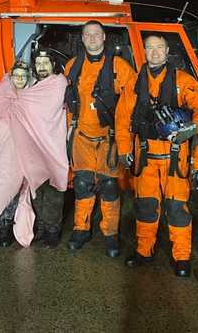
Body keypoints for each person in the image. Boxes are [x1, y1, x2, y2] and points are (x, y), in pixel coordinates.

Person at [119, 34, 198, 277]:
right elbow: (122, 118)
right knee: (145, 207)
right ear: (144, 51)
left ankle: (182, 258)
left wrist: (190, 129)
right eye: (150, 48)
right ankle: (143, 251)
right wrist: (124, 150)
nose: (155, 52)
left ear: (167, 50)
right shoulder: (135, 82)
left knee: (177, 209)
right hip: (145, 155)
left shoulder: (183, 81)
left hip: (174, 158)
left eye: (160, 47)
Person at [0, 58, 69, 248]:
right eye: (16, 75)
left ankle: (9, 231)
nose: (19, 79)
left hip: (21, 155)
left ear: (28, 77)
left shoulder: (32, 96)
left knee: (14, 192)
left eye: (23, 76)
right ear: (11, 77)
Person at [64, 21, 136, 258]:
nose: (92, 38)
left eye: (96, 34)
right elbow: (64, 104)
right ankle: (81, 228)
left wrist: (127, 143)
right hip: (81, 136)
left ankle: (110, 233)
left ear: (104, 37)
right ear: (82, 39)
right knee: (83, 184)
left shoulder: (120, 67)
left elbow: (132, 104)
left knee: (108, 187)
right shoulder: (72, 66)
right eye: (88, 34)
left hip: (110, 137)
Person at [31, 49, 69, 248]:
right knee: (37, 188)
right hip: (34, 145)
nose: (42, 66)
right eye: (38, 63)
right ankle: (41, 226)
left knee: (54, 188)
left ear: (53, 64)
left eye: (46, 62)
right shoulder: (32, 86)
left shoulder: (59, 83)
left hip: (54, 144)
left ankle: (53, 229)